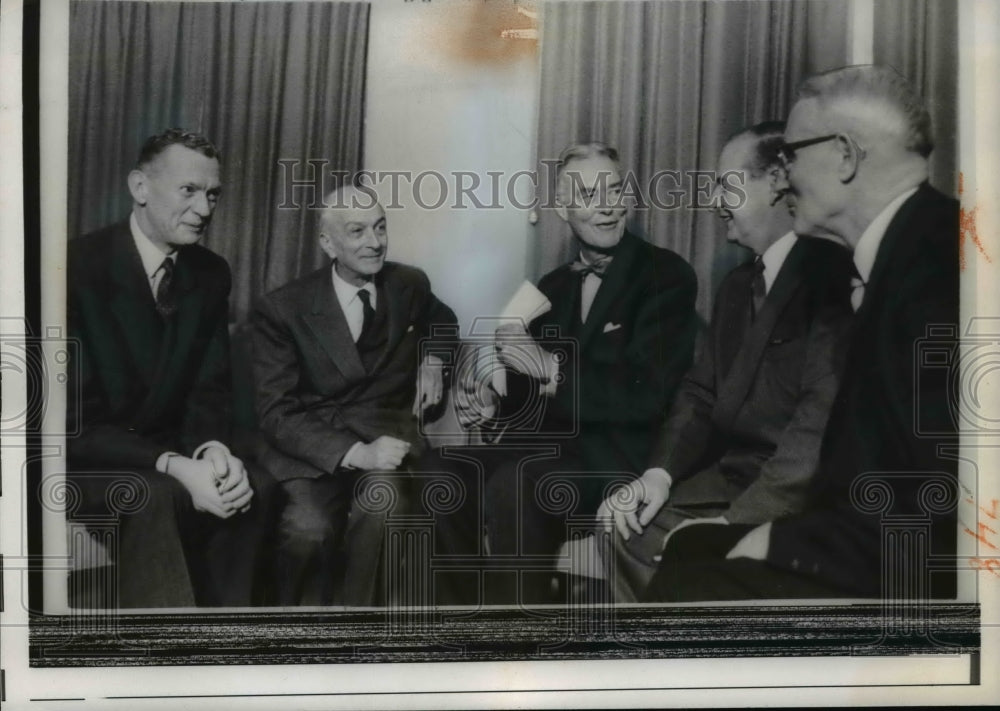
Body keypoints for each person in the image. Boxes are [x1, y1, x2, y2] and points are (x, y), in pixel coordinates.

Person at [645, 65, 959, 602]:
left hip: (917, 578)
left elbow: (934, 510)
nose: (784, 179)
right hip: (866, 541)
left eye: (790, 155)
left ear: (845, 156)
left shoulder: (940, 268)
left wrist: (779, 541)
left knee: (691, 578)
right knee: (689, 556)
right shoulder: (910, 250)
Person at [595, 122, 855, 602]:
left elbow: (817, 428)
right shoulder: (737, 287)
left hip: (796, 494)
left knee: (692, 558)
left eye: (724, 185)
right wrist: (658, 475)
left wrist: (733, 523)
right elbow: (699, 393)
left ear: (775, 182)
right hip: (729, 478)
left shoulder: (831, 277)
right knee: (621, 525)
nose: (715, 201)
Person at [471, 142, 699, 603]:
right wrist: (493, 399)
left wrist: (549, 367)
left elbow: (645, 395)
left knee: (516, 483)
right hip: (555, 456)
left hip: (618, 463)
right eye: (590, 196)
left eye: (614, 190)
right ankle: (465, 625)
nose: (608, 207)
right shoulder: (553, 286)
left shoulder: (666, 274)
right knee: (442, 471)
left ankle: (517, 637)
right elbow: (533, 402)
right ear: (562, 209)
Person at [67, 128, 275, 608]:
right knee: (156, 496)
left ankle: (227, 641)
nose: (204, 209)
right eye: (189, 190)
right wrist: (175, 465)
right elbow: (73, 424)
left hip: (171, 450)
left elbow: (209, 389)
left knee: (255, 487)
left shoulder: (211, 273)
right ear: (140, 187)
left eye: (213, 194)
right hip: (89, 459)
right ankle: (165, 647)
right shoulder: (74, 268)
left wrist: (212, 449)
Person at [251, 184, 462, 606]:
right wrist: (355, 453)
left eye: (380, 227)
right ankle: (291, 630)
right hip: (312, 448)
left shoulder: (408, 284)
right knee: (307, 531)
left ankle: (360, 626)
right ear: (328, 243)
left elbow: (444, 320)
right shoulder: (283, 308)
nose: (375, 242)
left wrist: (434, 360)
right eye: (357, 231)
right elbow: (276, 411)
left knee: (385, 506)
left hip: (386, 438)